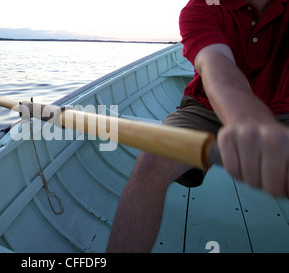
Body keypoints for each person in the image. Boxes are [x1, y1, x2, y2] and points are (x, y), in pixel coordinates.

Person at [106, 0, 289, 253]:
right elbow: (216, 68)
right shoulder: (202, 7)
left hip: (284, 109)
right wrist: (248, 124)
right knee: (153, 161)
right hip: (205, 108)